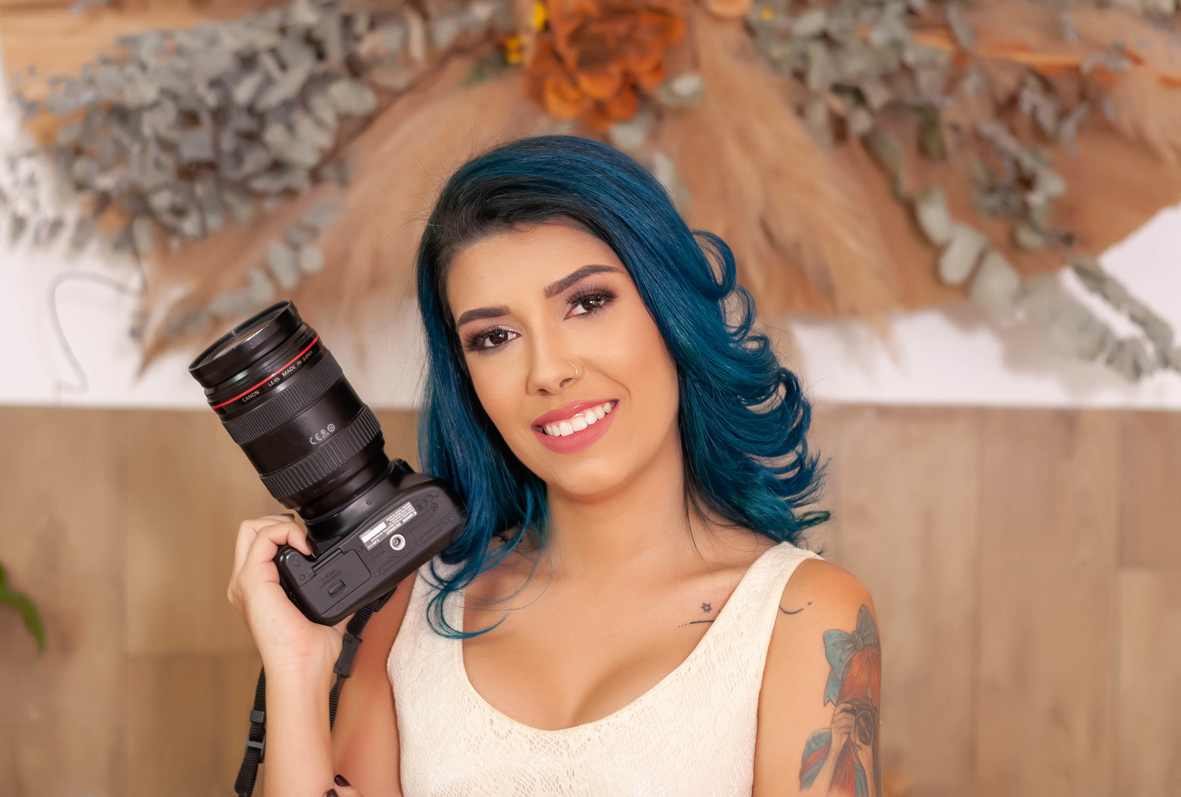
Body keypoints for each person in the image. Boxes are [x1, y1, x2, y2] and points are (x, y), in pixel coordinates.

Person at [228, 135, 881, 797]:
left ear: (669, 310)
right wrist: (297, 670)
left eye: (587, 302)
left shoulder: (803, 614)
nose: (547, 371)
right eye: (495, 337)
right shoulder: (413, 601)